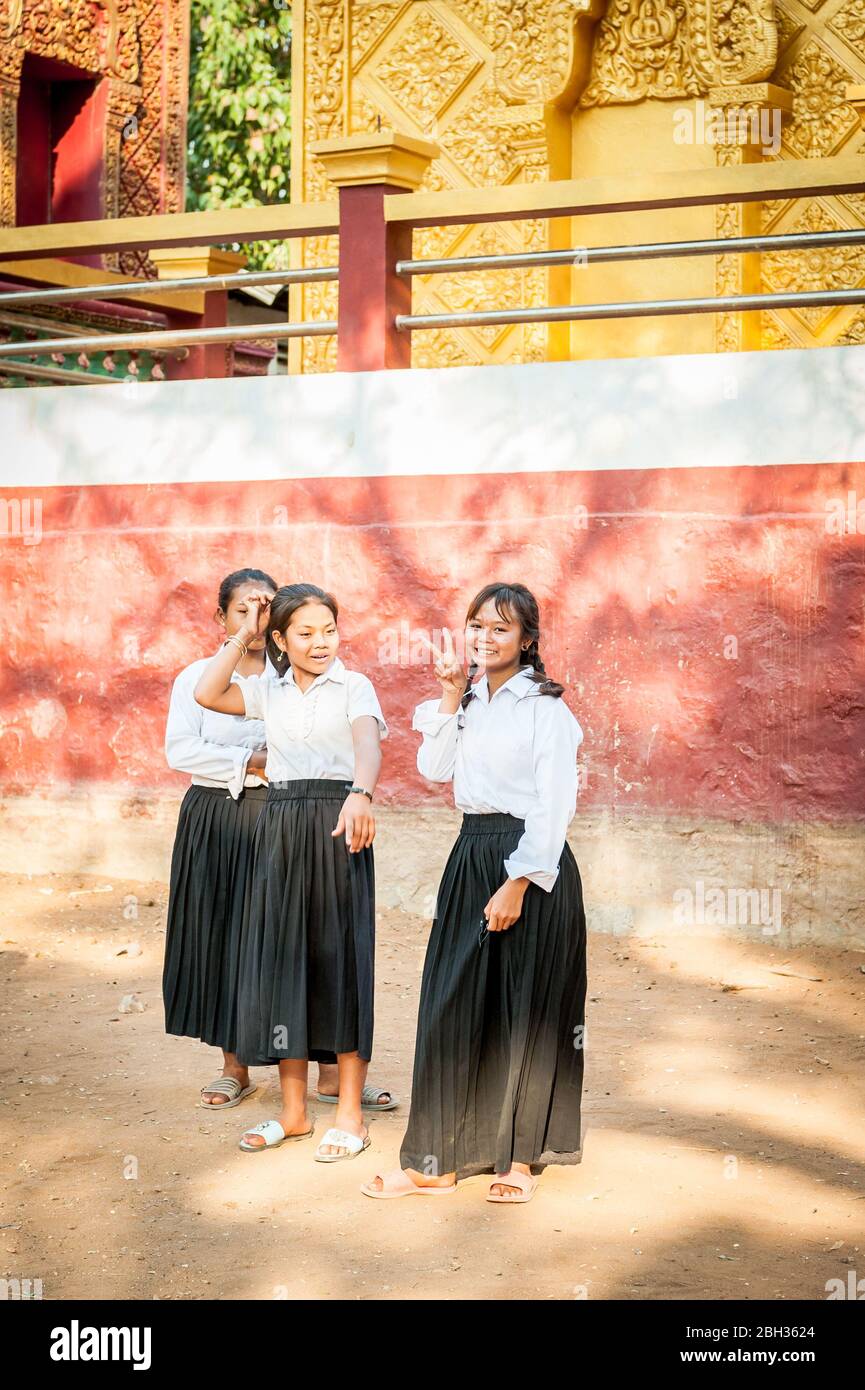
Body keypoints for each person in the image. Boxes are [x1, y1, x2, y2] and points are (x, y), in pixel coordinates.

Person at [362, 582, 586, 1203]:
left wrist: (517, 880)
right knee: (449, 1004)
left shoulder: (545, 710)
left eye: (500, 630)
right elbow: (434, 770)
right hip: (469, 856)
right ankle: (433, 1162)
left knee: (525, 1013)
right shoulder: (468, 702)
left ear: (528, 641)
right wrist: (446, 694)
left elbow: (554, 807)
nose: (484, 639)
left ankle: (520, 1160)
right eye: (477, 627)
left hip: (529, 864)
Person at [194, 583, 390, 1161]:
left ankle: (350, 1116)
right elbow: (208, 692)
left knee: (341, 961)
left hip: (338, 825)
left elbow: (368, 744)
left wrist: (361, 792)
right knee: (285, 962)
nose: (321, 642)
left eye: (329, 629)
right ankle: (294, 1113)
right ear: (280, 638)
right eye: (304, 632)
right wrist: (243, 635)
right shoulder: (267, 690)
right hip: (278, 828)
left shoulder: (355, 686)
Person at [163, 567, 276, 1109]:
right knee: (225, 935)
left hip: (283, 819)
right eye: (243, 610)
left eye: (267, 608)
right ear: (221, 617)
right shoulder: (194, 678)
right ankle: (235, 1067)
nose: (257, 619)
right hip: (216, 818)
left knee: (287, 935)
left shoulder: (296, 674)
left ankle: (326, 1071)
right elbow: (181, 751)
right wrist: (249, 762)